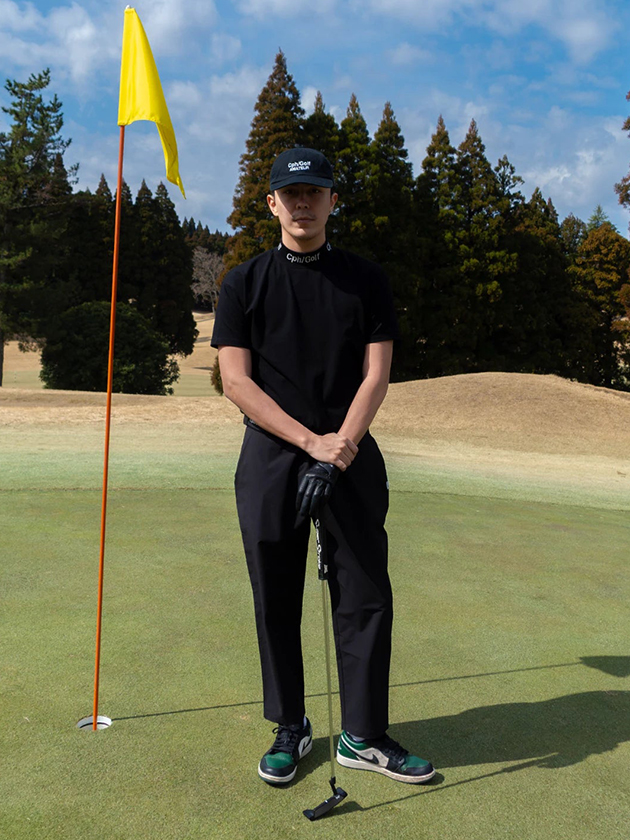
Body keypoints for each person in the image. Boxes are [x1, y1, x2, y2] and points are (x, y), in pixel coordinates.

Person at [211, 147, 435, 787]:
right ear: (273, 204)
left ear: (333, 201)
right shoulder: (243, 282)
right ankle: (291, 726)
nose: (303, 203)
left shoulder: (365, 278)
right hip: (273, 456)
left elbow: (376, 373)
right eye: (292, 193)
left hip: (350, 452)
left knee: (365, 594)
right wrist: (311, 443)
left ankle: (363, 736)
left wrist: (338, 448)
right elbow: (236, 381)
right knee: (275, 594)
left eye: (315, 192)